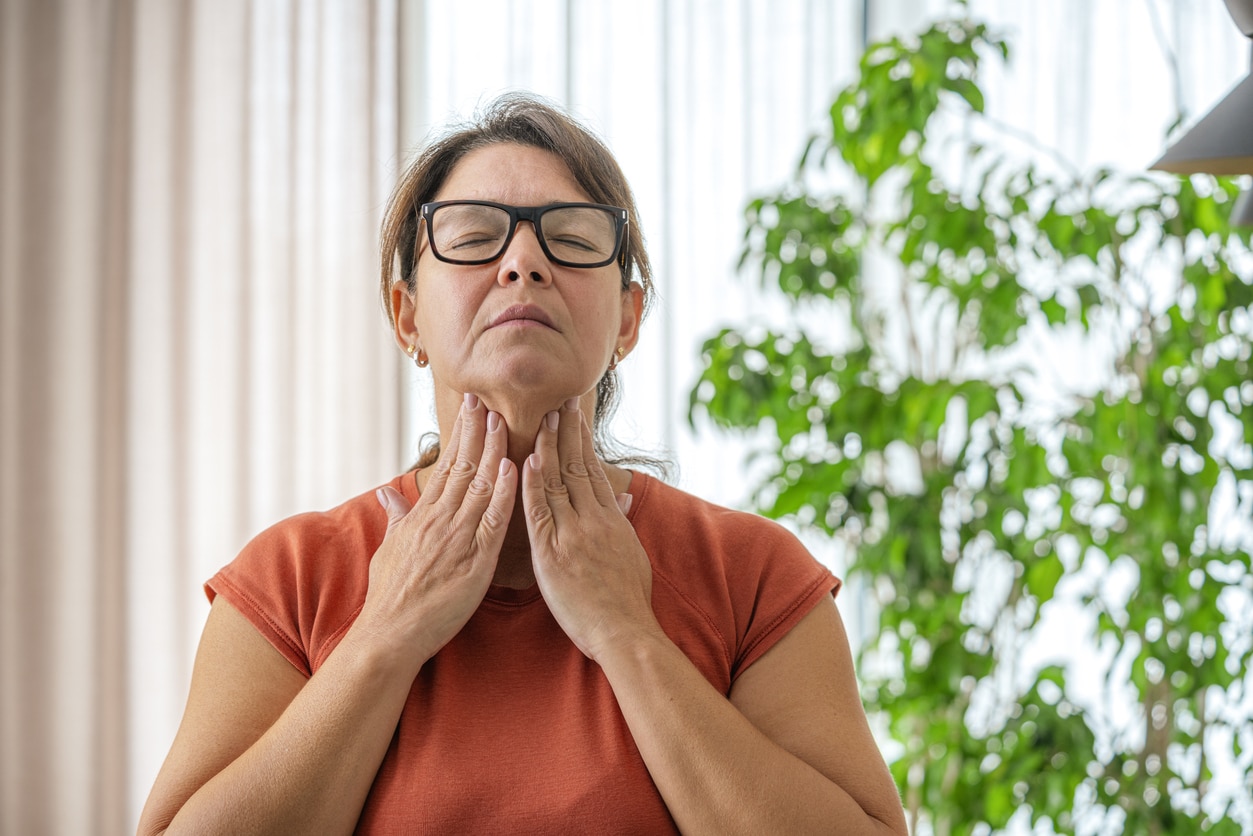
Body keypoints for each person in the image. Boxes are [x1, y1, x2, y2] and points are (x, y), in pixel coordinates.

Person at [138, 93, 908, 835]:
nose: (523, 263)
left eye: (571, 240)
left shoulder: (751, 575)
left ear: (627, 321)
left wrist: (626, 632)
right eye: (474, 237)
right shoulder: (292, 578)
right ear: (407, 317)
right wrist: (384, 636)